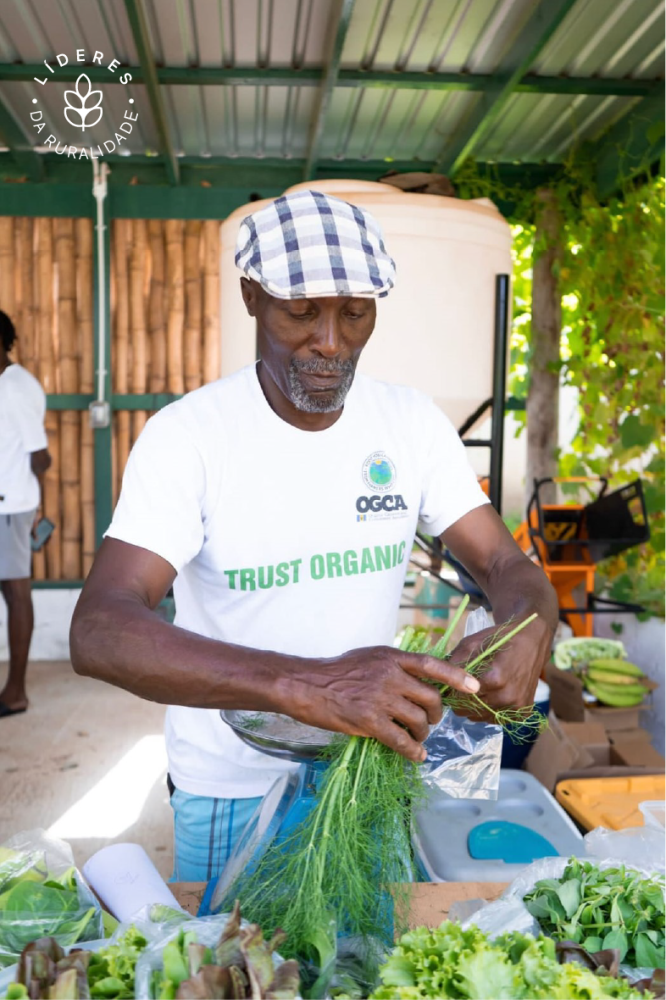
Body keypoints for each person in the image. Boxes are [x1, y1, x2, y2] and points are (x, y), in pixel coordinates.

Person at [70, 191, 558, 880]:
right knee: (234, 976)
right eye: (302, 312)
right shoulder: (190, 437)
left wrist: (530, 622)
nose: (330, 341)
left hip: (369, 773)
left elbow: (506, 563)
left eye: (354, 313)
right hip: (231, 786)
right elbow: (99, 629)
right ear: (250, 296)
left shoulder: (410, 425)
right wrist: (303, 684)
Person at [0, 311, 51, 718]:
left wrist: (36, 504)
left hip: (9, 507)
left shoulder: (14, 389)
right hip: (12, 504)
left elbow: (41, 456)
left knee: (17, 595)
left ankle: (15, 691)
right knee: (12, 595)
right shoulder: (9, 383)